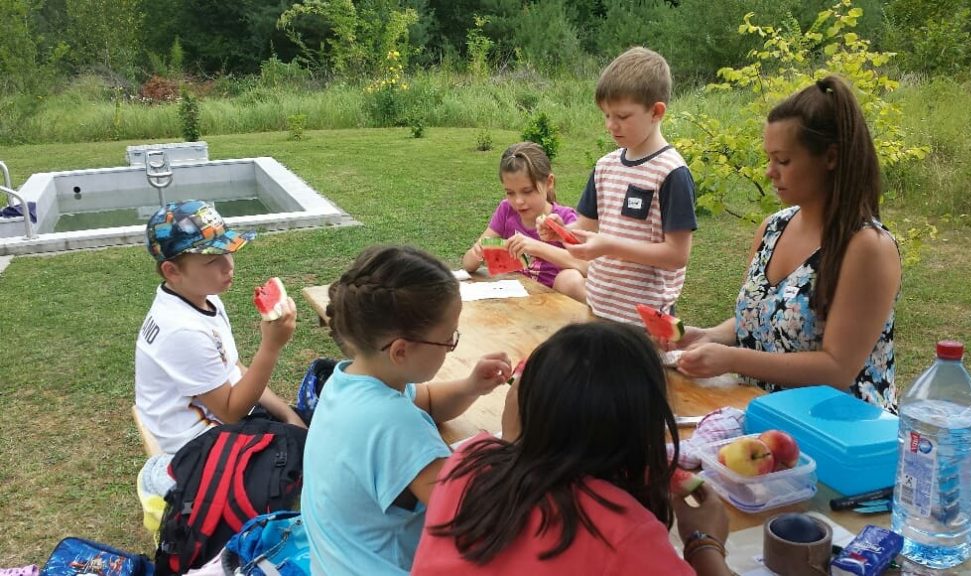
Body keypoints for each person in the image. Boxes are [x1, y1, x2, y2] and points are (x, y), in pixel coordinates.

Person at [410, 321, 732, 576]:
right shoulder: (626, 534)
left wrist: (519, 431)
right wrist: (704, 544)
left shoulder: (467, 461)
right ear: (642, 427)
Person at [667, 75, 901, 413]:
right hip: (767, 416)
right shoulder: (773, 228)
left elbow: (837, 369)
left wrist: (732, 359)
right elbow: (765, 315)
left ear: (831, 158)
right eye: (769, 158)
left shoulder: (867, 248)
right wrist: (706, 337)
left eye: (784, 161)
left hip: (838, 435)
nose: (769, 172)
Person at [302, 245, 512, 576]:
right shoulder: (394, 424)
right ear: (400, 351)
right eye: (448, 340)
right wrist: (515, 436)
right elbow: (476, 516)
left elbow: (427, 400)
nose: (450, 346)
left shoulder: (349, 381)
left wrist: (472, 386)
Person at [539, 47, 698, 325]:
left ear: (656, 111)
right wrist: (560, 232)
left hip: (644, 321)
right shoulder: (604, 166)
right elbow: (584, 229)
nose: (611, 125)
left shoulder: (672, 173)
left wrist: (609, 246)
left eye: (622, 116)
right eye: (606, 115)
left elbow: (676, 255)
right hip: (598, 304)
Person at [134, 200, 304, 455]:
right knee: (317, 458)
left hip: (221, 423)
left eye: (227, 252)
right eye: (212, 260)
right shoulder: (182, 330)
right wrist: (271, 347)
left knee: (312, 430)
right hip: (198, 450)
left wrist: (290, 417)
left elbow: (233, 369)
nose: (229, 265)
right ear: (172, 271)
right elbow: (231, 412)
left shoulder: (204, 298)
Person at [462, 141, 587, 302]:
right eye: (510, 193)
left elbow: (588, 267)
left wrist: (536, 247)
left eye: (527, 191)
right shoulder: (506, 210)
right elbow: (468, 263)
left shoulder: (565, 219)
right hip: (515, 301)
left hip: (556, 304)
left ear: (549, 182)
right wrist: (476, 254)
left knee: (569, 278)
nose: (518, 201)